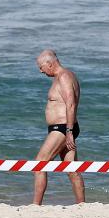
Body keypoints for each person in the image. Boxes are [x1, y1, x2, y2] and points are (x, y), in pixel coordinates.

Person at [33, 49, 85, 205]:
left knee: (39, 163)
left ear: (50, 63)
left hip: (63, 128)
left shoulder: (64, 77)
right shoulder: (62, 77)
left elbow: (71, 103)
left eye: (41, 67)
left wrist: (69, 132)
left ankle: (35, 206)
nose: (40, 71)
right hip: (64, 128)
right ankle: (81, 205)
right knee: (71, 169)